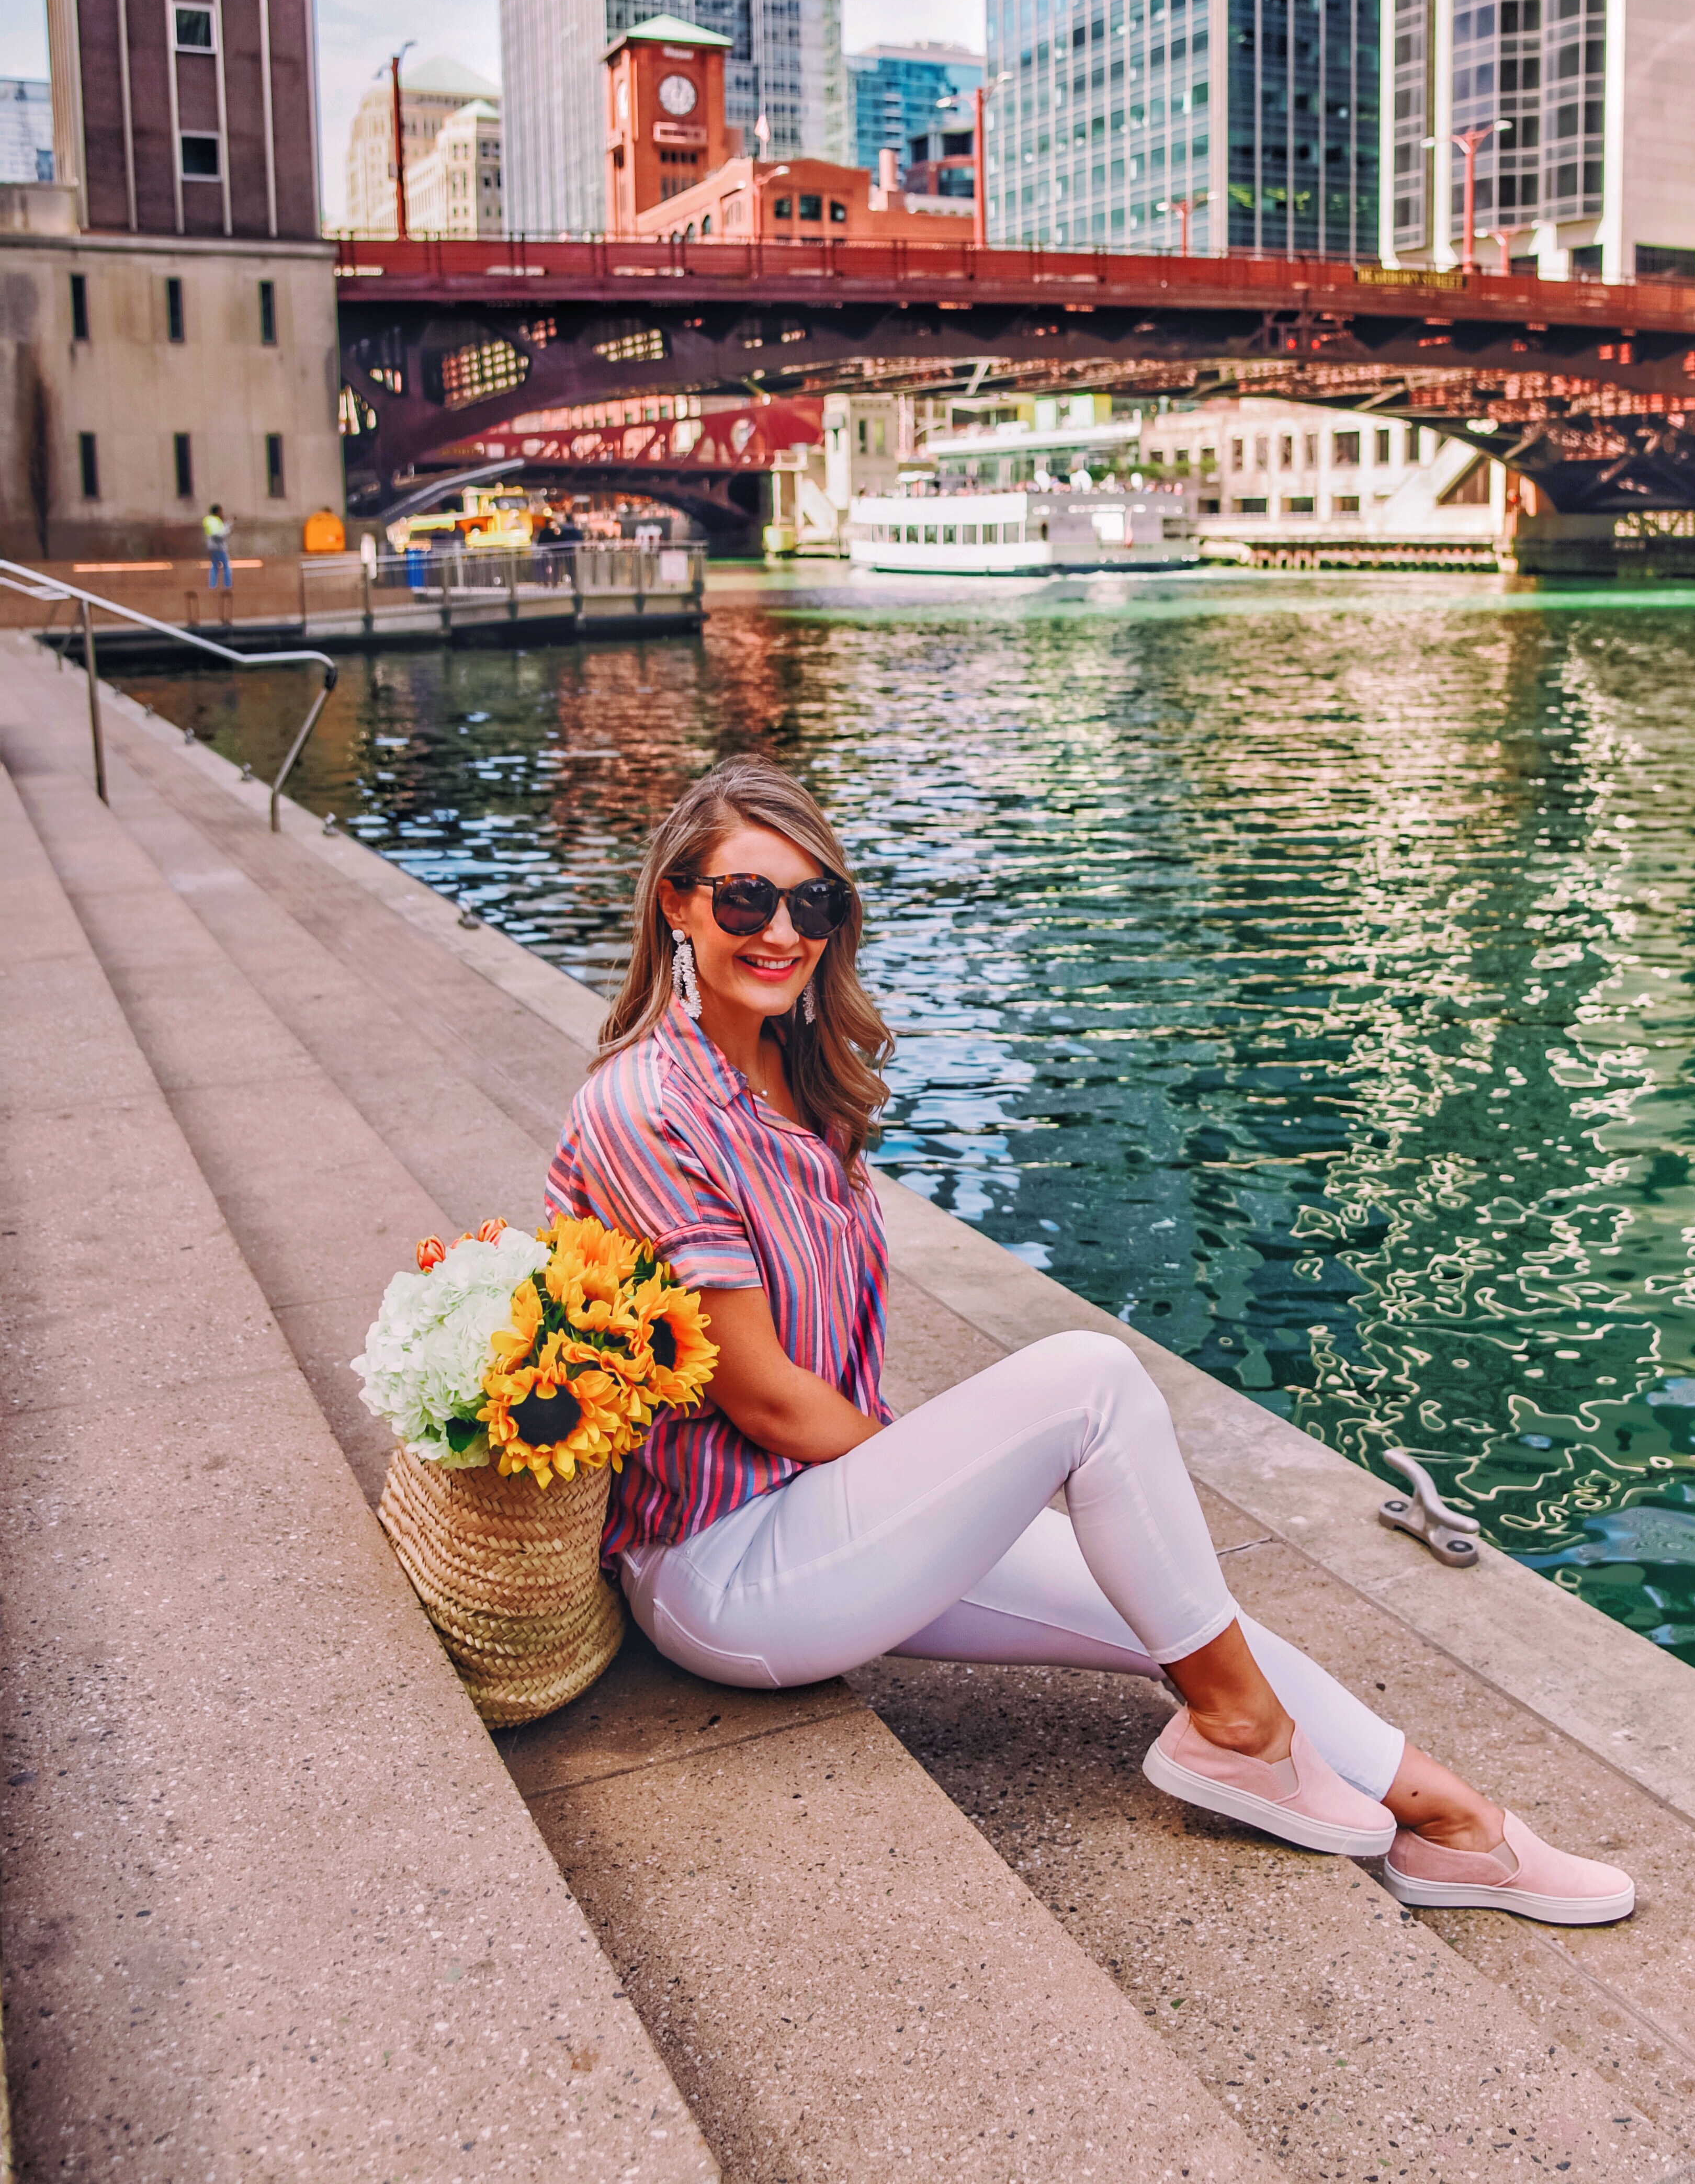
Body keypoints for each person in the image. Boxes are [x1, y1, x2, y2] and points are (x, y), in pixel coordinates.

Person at [546, 757, 1634, 1923]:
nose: (781, 931)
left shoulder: (790, 1080)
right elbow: (762, 1397)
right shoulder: (648, 1103)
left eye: (814, 903)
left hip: (818, 1511)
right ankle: (1240, 1736)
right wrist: (945, 1473)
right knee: (1091, 1379)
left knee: (1176, 1599)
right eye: (745, 898)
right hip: (722, 1567)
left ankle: (1457, 1824)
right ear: (676, 899)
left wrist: (942, 1482)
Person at [202, 503, 232, 598]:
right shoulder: (216, 522)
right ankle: (228, 585)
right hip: (220, 548)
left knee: (214, 567)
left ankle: (212, 585)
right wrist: (228, 527)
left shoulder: (209, 521)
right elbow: (220, 534)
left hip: (212, 548)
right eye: (221, 511)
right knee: (227, 567)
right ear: (217, 512)